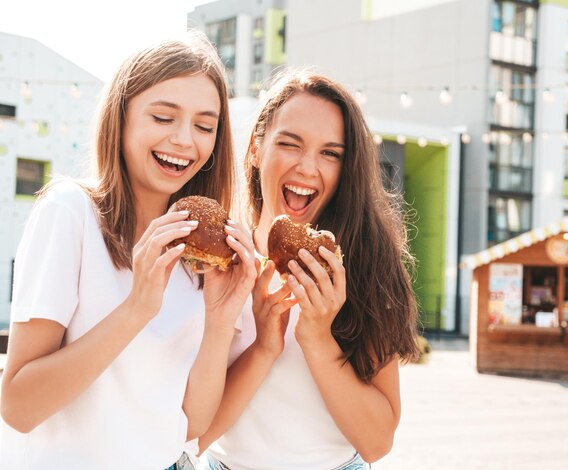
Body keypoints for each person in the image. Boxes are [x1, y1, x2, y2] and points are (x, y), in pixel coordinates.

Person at [0, 32, 256, 470]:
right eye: (163, 117)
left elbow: (190, 425)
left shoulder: (202, 256)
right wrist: (137, 308)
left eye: (204, 125)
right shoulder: (71, 213)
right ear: (121, 118)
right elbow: (19, 407)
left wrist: (219, 320)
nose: (184, 140)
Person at [197, 70, 420, 469]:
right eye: (290, 143)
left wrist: (317, 338)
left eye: (330, 153)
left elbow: (376, 443)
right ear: (255, 148)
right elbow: (194, 433)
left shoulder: (367, 269)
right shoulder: (215, 263)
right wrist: (264, 347)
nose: (307, 167)